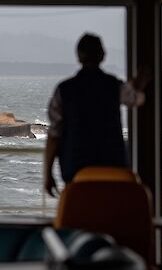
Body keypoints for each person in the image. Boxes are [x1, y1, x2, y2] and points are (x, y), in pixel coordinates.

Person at [43, 33, 151, 196]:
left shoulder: (64, 90)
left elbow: (54, 136)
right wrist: (138, 85)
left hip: (75, 170)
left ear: (78, 57)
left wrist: (47, 174)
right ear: (103, 55)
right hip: (112, 169)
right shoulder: (114, 85)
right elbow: (136, 99)